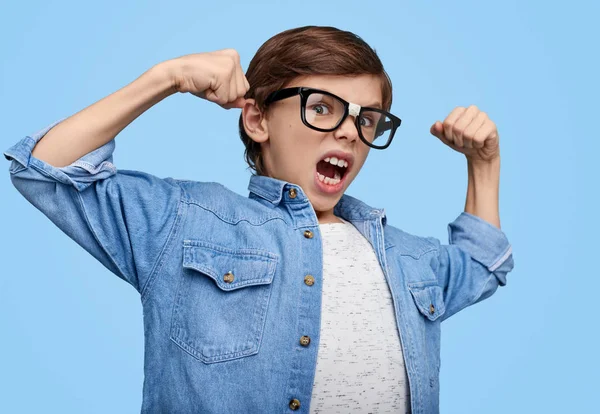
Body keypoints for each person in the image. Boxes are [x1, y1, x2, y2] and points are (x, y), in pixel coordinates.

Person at [4, 26, 514, 413]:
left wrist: (483, 163)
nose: (350, 133)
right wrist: (166, 78)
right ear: (257, 119)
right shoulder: (185, 222)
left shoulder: (404, 256)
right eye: (323, 108)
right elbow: (46, 171)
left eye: (366, 119)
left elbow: (482, 264)